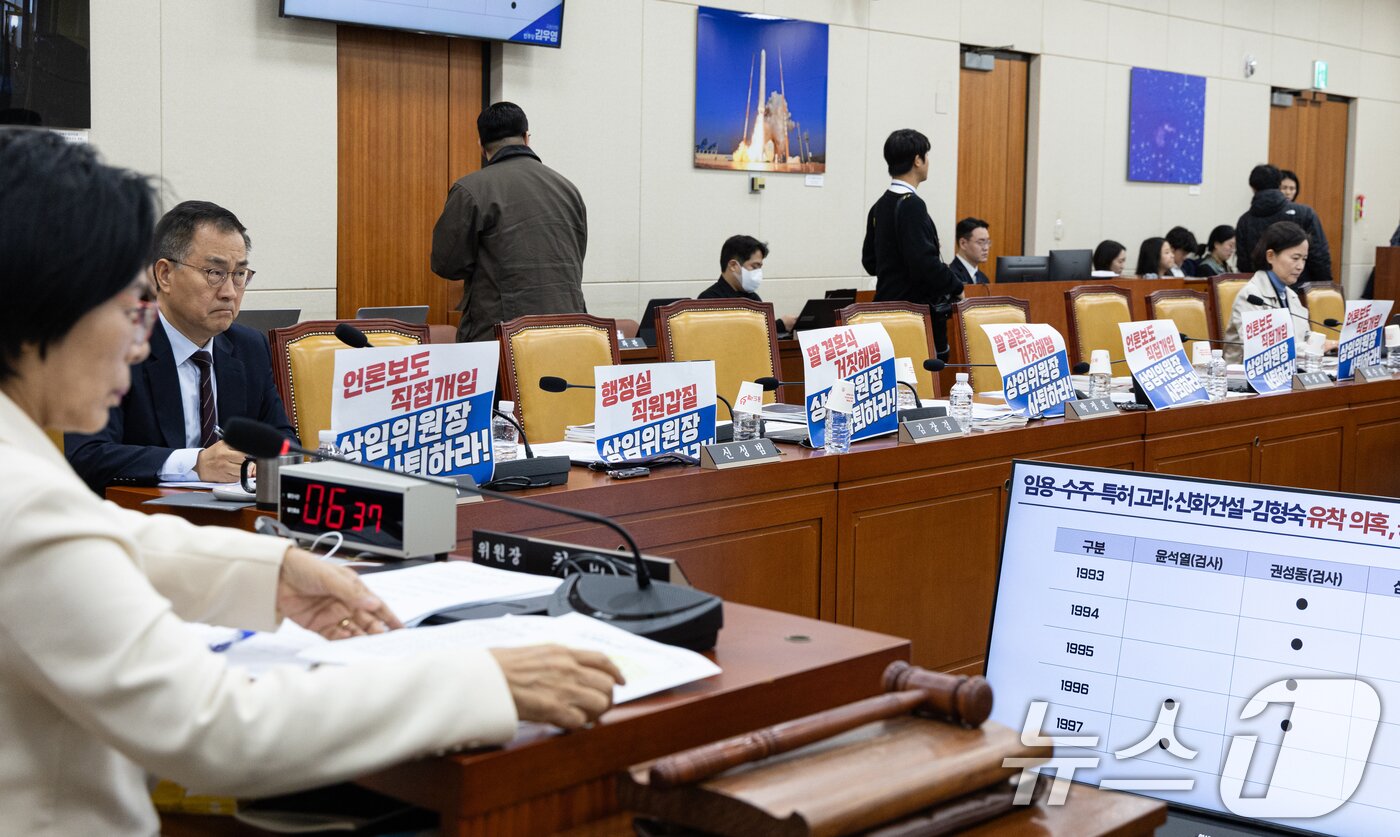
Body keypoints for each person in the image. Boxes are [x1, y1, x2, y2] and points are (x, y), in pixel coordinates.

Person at [0, 128, 621, 836]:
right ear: (38, 309)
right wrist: (481, 681)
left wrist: (274, 570)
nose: (138, 338)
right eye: (126, 308)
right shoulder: (22, 505)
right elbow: (217, 727)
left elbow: (109, 539)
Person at [65, 201, 297, 494]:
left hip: (236, 519)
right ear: (164, 275)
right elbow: (87, 456)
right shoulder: (112, 346)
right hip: (141, 520)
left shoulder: (248, 348)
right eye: (214, 272)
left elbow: (283, 441)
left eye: (239, 275)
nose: (229, 292)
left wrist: (261, 463)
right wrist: (195, 463)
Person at [431, 102, 588, 343]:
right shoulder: (568, 189)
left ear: (481, 146)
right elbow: (577, 254)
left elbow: (446, 264)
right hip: (569, 331)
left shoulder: (471, 189)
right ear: (527, 138)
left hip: (502, 337)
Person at [861, 129, 964, 357]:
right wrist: (956, 286)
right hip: (914, 317)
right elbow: (923, 262)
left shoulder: (878, 206)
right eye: (926, 156)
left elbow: (870, 262)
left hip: (885, 311)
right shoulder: (912, 205)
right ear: (918, 159)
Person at [1222, 221, 1318, 364]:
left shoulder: (1290, 295)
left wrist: (1323, 343)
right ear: (1271, 256)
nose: (1300, 266)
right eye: (1295, 258)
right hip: (1245, 380)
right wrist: (1312, 349)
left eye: (1304, 259)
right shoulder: (1251, 295)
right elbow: (1261, 350)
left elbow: (1302, 336)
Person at [1235, 164, 1331, 284]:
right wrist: (1325, 286)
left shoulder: (1244, 221)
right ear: (1279, 184)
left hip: (1260, 292)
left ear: (1253, 187)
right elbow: (1319, 255)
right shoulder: (1305, 213)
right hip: (1301, 290)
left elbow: (1244, 264)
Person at [698, 235, 794, 333]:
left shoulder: (753, 299)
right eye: (754, 267)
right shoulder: (708, 300)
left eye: (760, 267)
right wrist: (779, 326)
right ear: (733, 266)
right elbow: (733, 336)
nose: (758, 273)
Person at [948, 217, 991, 285]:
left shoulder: (984, 279)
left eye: (987, 242)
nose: (986, 248)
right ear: (963, 243)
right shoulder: (950, 276)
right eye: (980, 242)